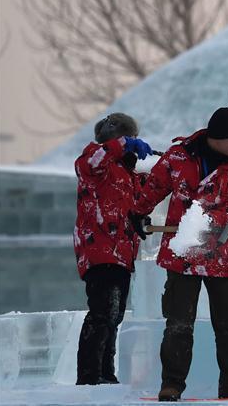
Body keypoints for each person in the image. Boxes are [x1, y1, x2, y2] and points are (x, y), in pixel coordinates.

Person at [131, 108, 228, 402]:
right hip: (183, 255)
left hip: (221, 255)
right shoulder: (179, 158)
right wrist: (138, 212)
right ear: (217, 137)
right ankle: (172, 384)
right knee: (178, 323)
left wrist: (208, 223)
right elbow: (154, 187)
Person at [74, 112, 154, 385]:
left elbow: (143, 198)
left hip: (122, 253)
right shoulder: (92, 160)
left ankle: (106, 372)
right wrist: (124, 144)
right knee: (102, 313)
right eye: (129, 138)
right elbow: (96, 160)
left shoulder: (127, 174)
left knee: (114, 315)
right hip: (99, 249)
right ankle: (89, 375)